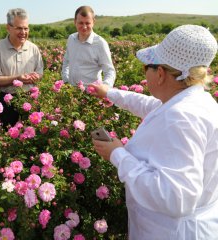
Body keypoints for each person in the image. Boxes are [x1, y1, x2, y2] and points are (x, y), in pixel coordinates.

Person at [91, 25, 218, 239]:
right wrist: (109, 93)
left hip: (171, 232)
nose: (145, 72)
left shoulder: (181, 118)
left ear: (160, 74)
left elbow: (175, 198)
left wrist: (118, 155)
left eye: (146, 67)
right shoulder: (192, 101)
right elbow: (147, 104)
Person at [0, 8, 43, 128]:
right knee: (8, 135)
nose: (23, 32)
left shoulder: (33, 48)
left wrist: (35, 77)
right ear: (8, 27)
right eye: (19, 28)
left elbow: (40, 73)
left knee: (33, 134)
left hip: (30, 97)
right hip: (8, 100)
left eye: (26, 28)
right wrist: (18, 78)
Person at [61, 6, 116, 87]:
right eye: (81, 23)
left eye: (87, 23)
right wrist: (66, 80)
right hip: (71, 92)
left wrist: (104, 88)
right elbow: (66, 62)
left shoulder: (100, 43)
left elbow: (109, 71)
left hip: (91, 95)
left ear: (93, 22)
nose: (84, 27)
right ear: (75, 22)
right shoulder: (71, 39)